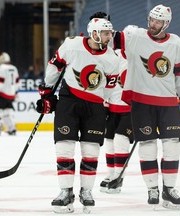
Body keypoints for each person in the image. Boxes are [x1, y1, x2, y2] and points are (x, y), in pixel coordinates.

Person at [112, 4, 180, 210]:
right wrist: (98, 29)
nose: (153, 24)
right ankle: (152, 189)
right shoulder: (135, 36)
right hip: (142, 103)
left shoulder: (177, 43)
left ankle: (169, 189)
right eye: (151, 20)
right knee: (147, 145)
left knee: (172, 146)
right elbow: (110, 39)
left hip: (168, 103)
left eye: (158, 21)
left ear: (166, 24)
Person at [35, 18, 119, 213]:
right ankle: (65, 192)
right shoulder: (72, 45)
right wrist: (47, 92)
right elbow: (55, 66)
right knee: (64, 147)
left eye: (110, 33)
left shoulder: (112, 59)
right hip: (69, 102)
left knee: (91, 151)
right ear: (95, 33)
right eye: (106, 33)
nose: (109, 36)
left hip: (94, 106)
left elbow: (109, 87)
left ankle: (86, 191)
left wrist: (99, 102)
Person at [99, 48, 134, 194]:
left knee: (120, 141)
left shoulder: (136, 57)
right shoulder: (111, 55)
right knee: (109, 141)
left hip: (130, 111)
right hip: (112, 109)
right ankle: (111, 173)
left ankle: (119, 177)